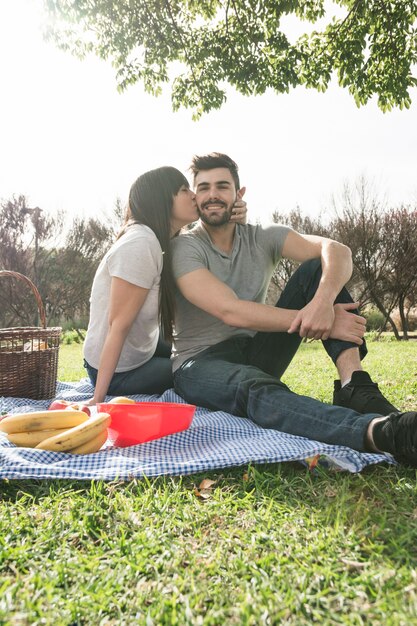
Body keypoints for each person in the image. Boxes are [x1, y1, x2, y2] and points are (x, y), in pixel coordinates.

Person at [171, 152, 417, 467]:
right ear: (195, 196)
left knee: (318, 268)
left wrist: (322, 304)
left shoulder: (263, 237)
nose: (212, 194)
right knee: (255, 388)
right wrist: (322, 323)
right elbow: (230, 311)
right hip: (199, 363)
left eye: (222, 185)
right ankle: (381, 433)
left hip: (254, 349)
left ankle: (354, 386)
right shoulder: (185, 248)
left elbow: (337, 251)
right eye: (203, 187)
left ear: (239, 193)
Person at [82, 165, 247, 405]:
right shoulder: (140, 243)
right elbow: (117, 325)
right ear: (162, 200)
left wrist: (237, 215)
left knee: (198, 347)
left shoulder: (161, 239)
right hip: (120, 371)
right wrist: (97, 398)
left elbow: (212, 235)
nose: (193, 195)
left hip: (143, 347)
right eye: (183, 190)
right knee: (192, 372)